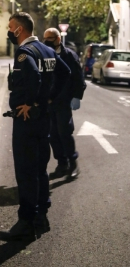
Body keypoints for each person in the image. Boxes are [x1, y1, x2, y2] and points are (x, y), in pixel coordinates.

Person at [0, 12, 71, 241]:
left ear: (19, 29)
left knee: (26, 171)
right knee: (40, 169)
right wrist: (48, 100)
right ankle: (41, 216)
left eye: (11, 27)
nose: (9, 31)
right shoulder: (48, 50)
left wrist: (31, 102)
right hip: (44, 119)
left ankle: (26, 222)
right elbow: (65, 73)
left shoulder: (25, 52)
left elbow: (33, 78)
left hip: (27, 121)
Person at [44, 27, 86, 180]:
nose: (46, 42)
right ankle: (62, 163)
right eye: (45, 38)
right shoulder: (46, 54)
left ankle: (72, 162)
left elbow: (78, 78)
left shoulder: (69, 56)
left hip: (63, 100)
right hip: (49, 101)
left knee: (64, 132)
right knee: (52, 135)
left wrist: (77, 96)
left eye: (50, 38)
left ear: (58, 39)